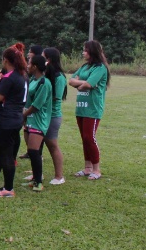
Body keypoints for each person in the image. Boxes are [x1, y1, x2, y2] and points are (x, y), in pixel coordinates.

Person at [0, 47, 29, 198]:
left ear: (5, 60)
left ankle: (8, 189)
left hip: (6, 121)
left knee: (6, 155)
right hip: (14, 118)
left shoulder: (10, 77)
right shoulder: (22, 75)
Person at [69, 40, 110, 180]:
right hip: (81, 108)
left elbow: (88, 84)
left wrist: (82, 83)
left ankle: (96, 169)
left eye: (85, 50)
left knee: (89, 137)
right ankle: (87, 168)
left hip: (92, 109)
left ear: (92, 51)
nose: (83, 52)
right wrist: (82, 83)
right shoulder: (85, 66)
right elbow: (72, 80)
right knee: (84, 138)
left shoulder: (100, 68)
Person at [23, 55, 52, 191]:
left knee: (34, 151)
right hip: (30, 120)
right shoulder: (32, 80)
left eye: (29, 63)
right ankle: (35, 179)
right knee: (31, 151)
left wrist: (22, 114)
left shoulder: (44, 83)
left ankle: (39, 183)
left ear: (35, 66)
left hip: (39, 121)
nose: (27, 65)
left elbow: (36, 105)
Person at [43, 47, 67, 185]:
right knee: (37, 145)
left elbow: (56, 98)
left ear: (49, 59)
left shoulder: (58, 77)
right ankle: (36, 174)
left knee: (52, 145)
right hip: (42, 115)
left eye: (43, 56)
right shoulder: (46, 74)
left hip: (52, 116)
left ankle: (59, 176)